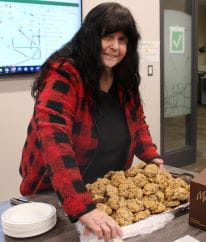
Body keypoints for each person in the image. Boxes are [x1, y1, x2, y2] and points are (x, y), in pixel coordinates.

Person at [19, 2, 163, 241]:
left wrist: (151, 155)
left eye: (122, 40)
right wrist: (80, 205)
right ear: (90, 37)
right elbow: (54, 139)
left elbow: (137, 121)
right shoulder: (65, 73)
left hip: (102, 190)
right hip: (56, 192)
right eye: (107, 36)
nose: (115, 47)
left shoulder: (122, 76)